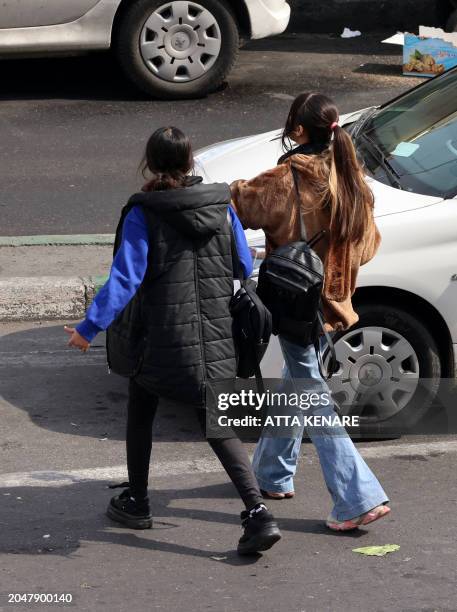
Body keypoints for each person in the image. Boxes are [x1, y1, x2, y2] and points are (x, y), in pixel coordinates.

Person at [64, 126, 281, 554]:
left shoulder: (145, 211)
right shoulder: (222, 207)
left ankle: (143, 501)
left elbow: (126, 278)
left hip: (162, 336)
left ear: (149, 164)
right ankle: (255, 513)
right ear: (189, 162)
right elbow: (241, 262)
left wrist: (88, 329)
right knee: (215, 423)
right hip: (216, 334)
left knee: (142, 406)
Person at [231, 93, 391, 531]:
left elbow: (237, 205)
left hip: (292, 302)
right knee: (300, 379)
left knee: (313, 393)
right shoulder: (353, 180)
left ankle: (357, 497)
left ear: (299, 131)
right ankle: (272, 473)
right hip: (332, 304)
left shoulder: (285, 180)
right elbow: (369, 246)